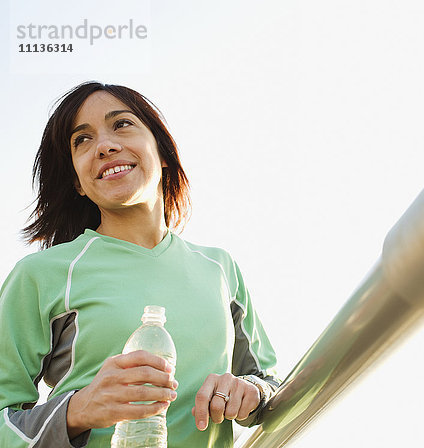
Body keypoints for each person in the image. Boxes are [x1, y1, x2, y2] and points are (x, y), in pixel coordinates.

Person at [0, 82, 279, 447]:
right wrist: (77, 410)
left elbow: (271, 385)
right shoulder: (40, 275)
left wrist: (250, 391)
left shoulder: (220, 268)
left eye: (122, 124)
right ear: (78, 182)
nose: (104, 145)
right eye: (81, 140)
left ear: (162, 151)